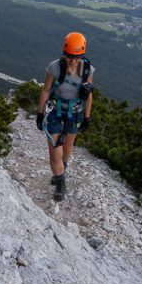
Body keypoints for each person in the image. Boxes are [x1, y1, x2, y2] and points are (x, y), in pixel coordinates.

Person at [36, 31, 94, 202]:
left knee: (67, 148)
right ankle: (61, 183)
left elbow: (89, 95)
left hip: (75, 113)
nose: (73, 60)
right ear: (64, 53)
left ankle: (61, 171)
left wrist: (87, 117)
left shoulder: (87, 70)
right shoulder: (54, 67)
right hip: (56, 111)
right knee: (56, 150)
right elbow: (46, 89)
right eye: (70, 56)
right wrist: (40, 113)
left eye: (77, 57)